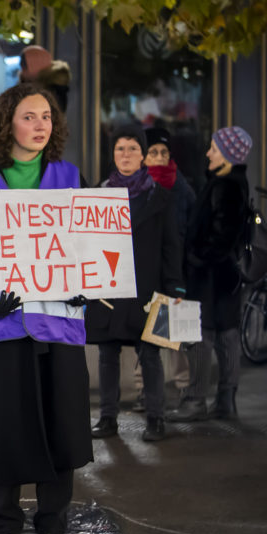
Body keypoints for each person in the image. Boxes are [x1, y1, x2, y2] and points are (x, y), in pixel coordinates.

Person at [0, 83, 92, 534]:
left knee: (62, 429)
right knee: (2, 434)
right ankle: (5, 529)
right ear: (6, 122)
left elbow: (89, 250)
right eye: (30, 116)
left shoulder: (71, 177)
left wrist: (88, 288)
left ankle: (53, 526)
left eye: (47, 117)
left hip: (58, 326)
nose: (40, 126)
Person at [86, 126, 185, 443]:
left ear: (142, 155)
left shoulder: (159, 197)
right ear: (112, 154)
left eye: (131, 148)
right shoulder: (100, 195)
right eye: (119, 149)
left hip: (147, 287)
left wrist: (175, 287)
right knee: (107, 353)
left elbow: (171, 246)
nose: (125, 154)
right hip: (109, 287)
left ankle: (156, 419)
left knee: (151, 353)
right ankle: (108, 418)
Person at [169, 126, 253, 422]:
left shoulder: (225, 186)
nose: (208, 152)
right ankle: (225, 400)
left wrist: (195, 258)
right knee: (225, 336)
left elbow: (222, 235)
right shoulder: (232, 182)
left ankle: (195, 400)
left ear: (228, 154)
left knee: (200, 336)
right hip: (225, 276)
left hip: (210, 276)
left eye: (214, 149)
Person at [130, 127, 196, 410]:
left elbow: (189, 232)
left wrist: (179, 273)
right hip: (145, 273)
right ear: (145, 157)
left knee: (175, 335)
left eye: (163, 152)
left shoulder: (182, 189)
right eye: (153, 152)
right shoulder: (136, 188)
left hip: (173, 272)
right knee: (144, 337)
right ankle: (144, 390)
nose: (158, 157)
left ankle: (183, 388)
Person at [19, 46, 71, 113]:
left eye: (24, 68)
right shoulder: (53, 89)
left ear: (34, 66)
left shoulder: (49, 94)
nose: (21, 73)